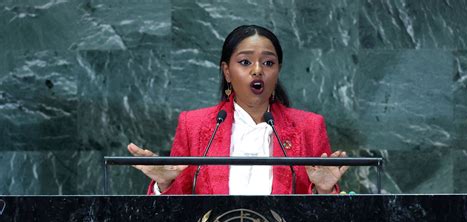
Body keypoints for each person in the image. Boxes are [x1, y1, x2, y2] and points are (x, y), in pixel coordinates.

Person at [127, 25, 348, 195]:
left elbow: (323, 220)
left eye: (268, 63)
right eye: (245, 62)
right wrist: (164, 183)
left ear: (278, 70)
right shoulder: (193, 125)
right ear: (227, 71)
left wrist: (325, 190)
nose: (258, 70)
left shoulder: (308, 126)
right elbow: (176, 211)